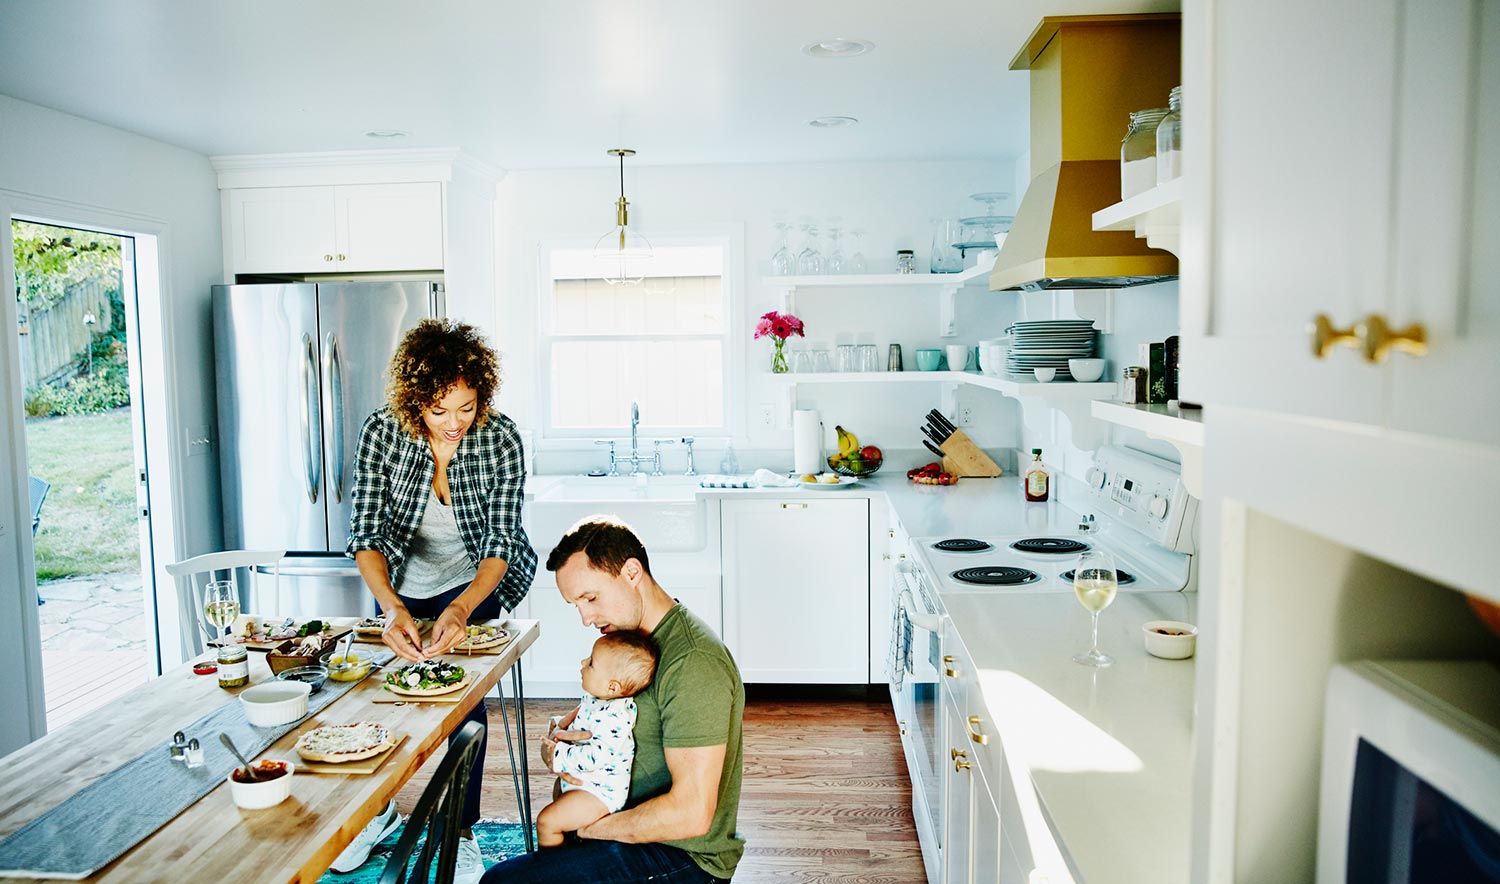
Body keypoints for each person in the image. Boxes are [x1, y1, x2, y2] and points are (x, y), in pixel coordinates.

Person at [337, 318, 537, 883]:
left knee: (461, 702)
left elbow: (500, 544)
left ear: (482, 395)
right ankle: (374, 818)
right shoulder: (382, 434)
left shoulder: (500, 439)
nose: (454, 424)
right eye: (439, 410)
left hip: (475, 581)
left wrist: (460, 609)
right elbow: (368, 535)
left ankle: (461, 830)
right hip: (400, 581)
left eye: (466, 407)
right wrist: (395, 609)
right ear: (414, 400)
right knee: (386, 697)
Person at [482, 517, 745, 884]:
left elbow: (691, 813)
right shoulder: (628, 645)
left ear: (632, 572)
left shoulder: (693, 662)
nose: (586, 617)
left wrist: (589, 830)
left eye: (590, 598)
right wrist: (562, 753)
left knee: (502, 883)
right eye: (576, 604)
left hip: (685, 859)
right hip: (627, 828)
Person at [538, 631, 659, 848]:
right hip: (586, 783)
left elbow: (597, 756)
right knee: (559, 796)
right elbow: (579, 726)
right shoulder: (596, 700)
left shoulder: (616, 716)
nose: (583, 662)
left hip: (599, 793)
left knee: (547, 821)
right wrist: (558, 726)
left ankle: (551, 867)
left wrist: (559, 754)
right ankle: (569, 852)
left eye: (592, 663)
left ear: (612, 686)